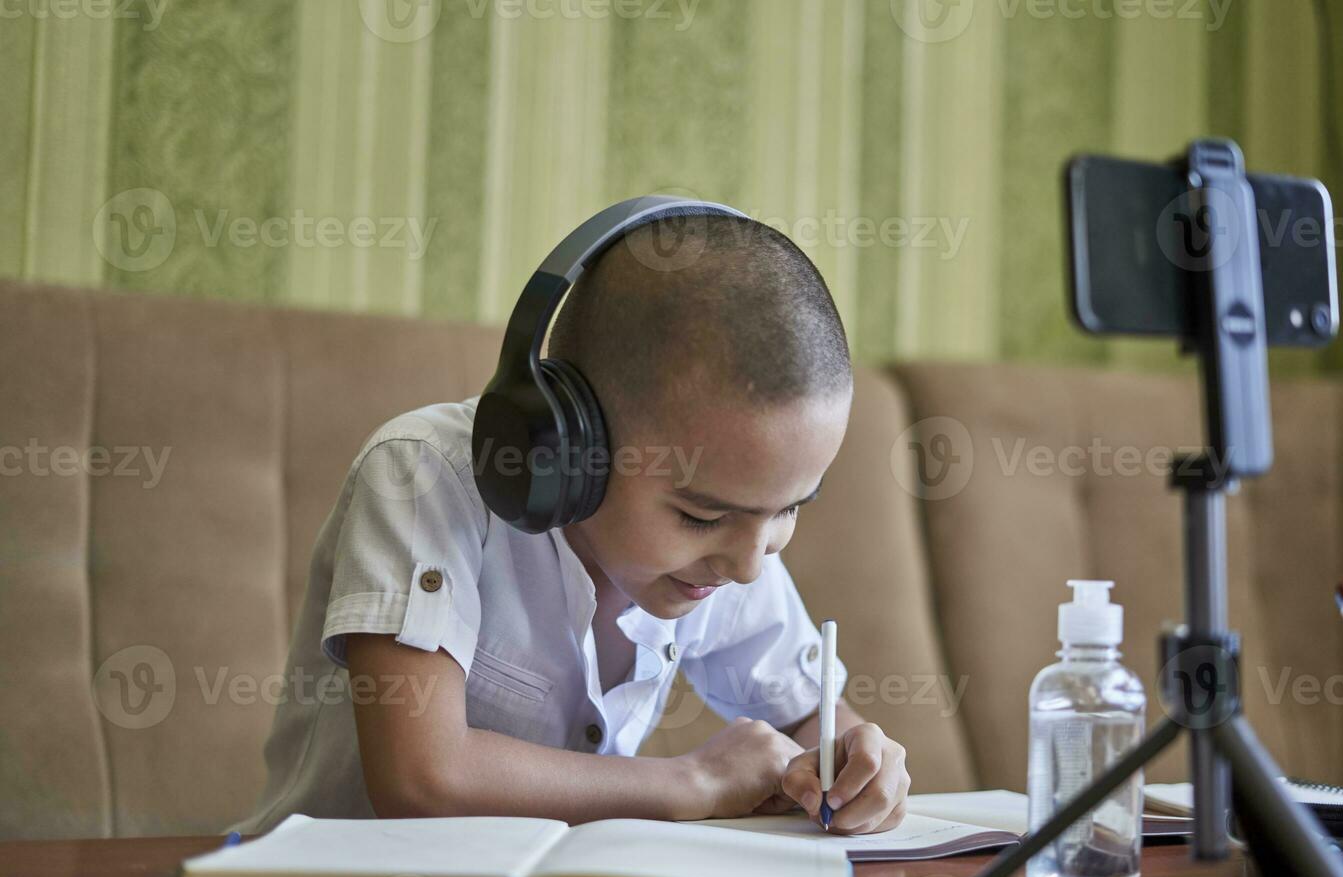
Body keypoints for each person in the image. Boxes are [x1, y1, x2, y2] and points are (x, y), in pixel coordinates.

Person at [232, 212, 910, 836]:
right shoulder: (425, 477)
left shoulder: (729, 542)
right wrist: (690, 780)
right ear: (568, 449)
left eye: (791, 508)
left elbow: (807, 715)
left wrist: (854, 758)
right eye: (700, 516)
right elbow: (421, 779)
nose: (750, 565)